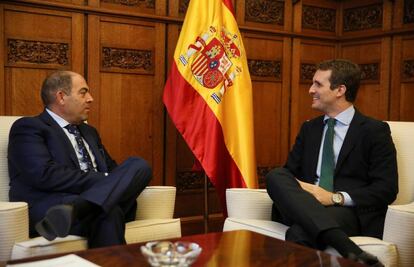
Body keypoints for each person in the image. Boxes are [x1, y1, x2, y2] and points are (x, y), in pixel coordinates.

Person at [266, 59, 398, 266]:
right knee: (275, 175)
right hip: (305, 203)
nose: (310, 90)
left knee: (300, 232)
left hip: (346, 212)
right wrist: (306, 192)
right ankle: (350, 250)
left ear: (340, 90)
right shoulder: (309, 129)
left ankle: (342, 242)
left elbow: (387, 189)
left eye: (318, 84)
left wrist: (335, 198)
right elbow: (289, 174)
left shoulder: (374, 131)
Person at [8, 70, 152, 248]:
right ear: (61, 97)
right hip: (52, 208)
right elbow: (44, 174)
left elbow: (113, 169)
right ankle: (87, 206)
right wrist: (107, 179)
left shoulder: (89, 132)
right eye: (83, 92)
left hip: (73, 211)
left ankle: (79, 208)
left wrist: (109, 179)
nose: (90, 98)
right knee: (109, 211)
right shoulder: (29, 127)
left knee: (139, 165)